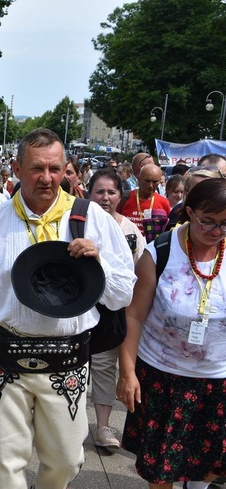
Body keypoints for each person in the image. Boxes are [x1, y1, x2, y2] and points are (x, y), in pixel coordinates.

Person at [0, 128, 135, 489]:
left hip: (67, 360)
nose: (47, 178)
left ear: (65, 169)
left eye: (55, 168)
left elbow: (122, 296)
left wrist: (99, 263)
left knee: (67, 460)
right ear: (16, 167)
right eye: (36, 169)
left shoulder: (92, 219)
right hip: (5, 358)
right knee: (4, 463)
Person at [117, 178, 226, 488]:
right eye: (209, 222)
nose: (216, 232)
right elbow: (133, 315)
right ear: (190, 212)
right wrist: (127, 373)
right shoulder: (160, 253)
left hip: (217, 381)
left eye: (225, 225)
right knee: (162, 469)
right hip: (163, 378)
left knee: (208, 465)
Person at [86, 168, 144, 450]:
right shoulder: (79, 221)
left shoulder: (130, 230)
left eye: (111, 192)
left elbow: (138, 269)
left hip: (114, 309)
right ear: (89, 193)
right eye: (99, 191)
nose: (105, 197)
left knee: (105, 365)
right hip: (81, 304)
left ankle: (103, 425)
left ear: (121, 196)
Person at [120, 163, 171, 241]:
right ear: (139, 179)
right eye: (147, 181)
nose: (151, 185)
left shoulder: (164, 203)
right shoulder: (124, 198)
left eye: (155, 182)